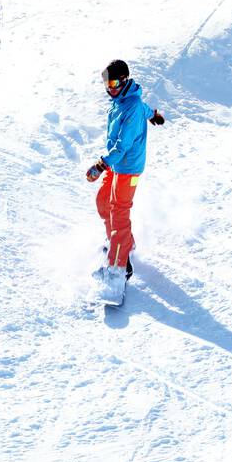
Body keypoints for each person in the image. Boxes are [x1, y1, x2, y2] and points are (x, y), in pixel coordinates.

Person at [86, 59, 165, 296]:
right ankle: (121, 244)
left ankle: (117, 270)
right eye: (106, 83)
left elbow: (123, 144)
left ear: (123, 80)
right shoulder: (123, 100)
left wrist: (101, 165)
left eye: (112, 82)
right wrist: (154, 115)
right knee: (103, 202)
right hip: (117, 164)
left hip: (126, 167)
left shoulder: (129, 107)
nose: (109, 88)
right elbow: (144, 109)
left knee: (118, 212)